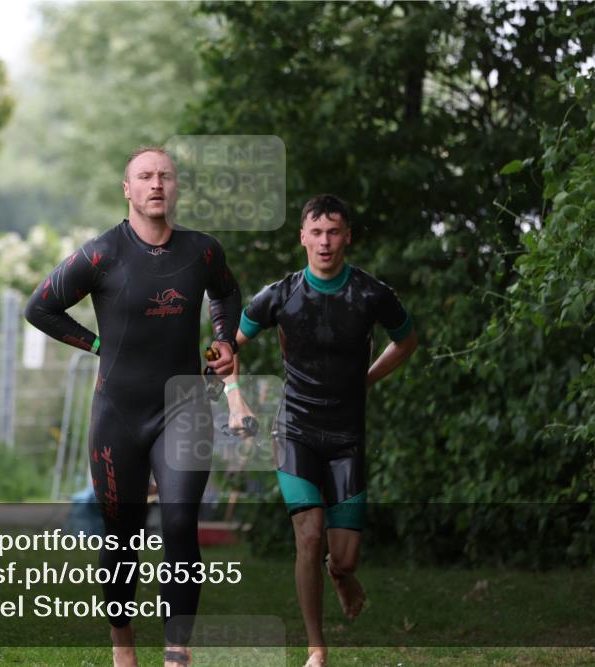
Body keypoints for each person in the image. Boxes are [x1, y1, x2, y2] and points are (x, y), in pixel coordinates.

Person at [24, 146, 241, 667]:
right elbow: (40, 308)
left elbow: (227, 295)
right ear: (128, 189)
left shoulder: (202, 252)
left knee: (180, 523)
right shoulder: (102, 254)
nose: (156, 184)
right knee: (122, 535)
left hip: (183, 405)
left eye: (165, 176)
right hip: (118, 412)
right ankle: (124, 652)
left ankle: (176, 654)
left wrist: (224, 339)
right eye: (145, 176)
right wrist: (96, 346)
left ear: (175, 187)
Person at [223, 194, 417, 667]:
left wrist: (366, 379)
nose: (325, 242)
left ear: (346, 236)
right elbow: (221, 346)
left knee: (343, 558)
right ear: (303, 238)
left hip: (347, 437)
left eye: (334, 232)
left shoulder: (372, 294)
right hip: (294, 432)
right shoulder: (280, 294)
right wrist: (234, 394)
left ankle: (342, 575)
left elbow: (407, 340)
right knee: (308, 537)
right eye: (316, 232)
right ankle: (316, 646)